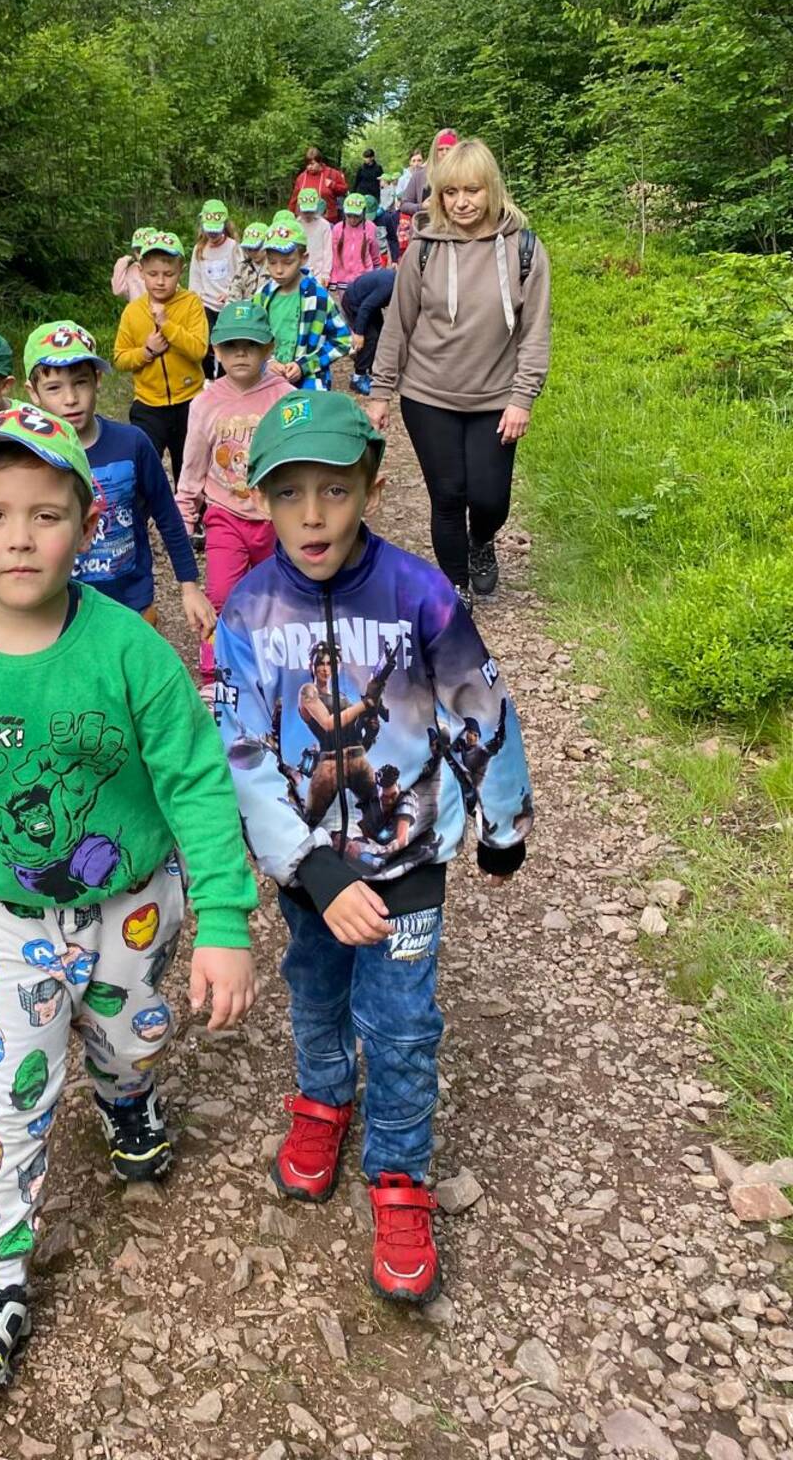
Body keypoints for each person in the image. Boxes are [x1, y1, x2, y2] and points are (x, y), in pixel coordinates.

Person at [0, 405, 258, 1391]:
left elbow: (197, 783)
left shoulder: (130, 652)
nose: (20, 538)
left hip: (131, 903)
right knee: (5, 1094)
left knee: (129, 1039)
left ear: (89, 527)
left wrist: (224, 920)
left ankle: (127, 1097)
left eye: (46, 515)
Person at [212, 392, 533, 1306]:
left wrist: (503, 822)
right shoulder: (248, 611)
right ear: (261, 501)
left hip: (408, 865)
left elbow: (479, 706)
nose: (313, 516)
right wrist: (308, 865)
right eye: (289, 494)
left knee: (401, 1025)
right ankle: (323, 1097)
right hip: (309, 872)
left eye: (335, 491)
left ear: (372, 491)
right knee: (315, 991)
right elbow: (241, 749)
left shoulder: (420, 595)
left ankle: (398, 1170)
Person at [368, 137, 551, 609]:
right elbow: (398, 323)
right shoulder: (423, 249)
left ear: (492, 188)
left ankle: (481, 541)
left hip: (496, 397)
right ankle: (455, 591)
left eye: (472, 190)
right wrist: (381, 390)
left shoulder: (525, 250)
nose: (462, 202)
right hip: (428, 394)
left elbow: (534, 332)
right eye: (451, 192)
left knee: (490, 499)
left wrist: (523, 398)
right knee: (447, 495)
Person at [24, 320, 213, 640]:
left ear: (97, 380)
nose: (70, 398)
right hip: (58, 608)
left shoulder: (132, 443)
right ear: (34, 393)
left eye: (81, 383)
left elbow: (167, 516)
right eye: (54, 388)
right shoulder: (28, 457)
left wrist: (189, 586)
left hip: (130, 603)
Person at [174, 301, 284, 684]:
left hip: (274, 518)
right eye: (231, 345)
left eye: (251, 345)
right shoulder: (205, 403)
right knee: (222, 593)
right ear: (216, 351)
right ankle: (215, 670)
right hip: (225, 515)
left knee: (276, 595)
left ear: (268, 348)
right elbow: (192, 466)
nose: (241, 353)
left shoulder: (284, 397)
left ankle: (272, 668)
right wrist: (186, 515)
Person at [112, 231, 207, 483]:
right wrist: (147, 351)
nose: (161, 281)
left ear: (181, 271)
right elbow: (120, 358)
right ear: (141, 272)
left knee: (188, 469)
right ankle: (149, 508)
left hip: (189, 401)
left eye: (169, 274)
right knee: (146, 469)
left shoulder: (191, 303)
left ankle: (189, 508)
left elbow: (199, 349)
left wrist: (167, 326)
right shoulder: (133, 311)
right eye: (153, 274)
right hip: (148, 404)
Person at [257, 213, 352, 391]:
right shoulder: (262, 296)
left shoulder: (318, 297)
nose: (279, 270)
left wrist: (306, 365)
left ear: (304, 258)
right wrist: (267, 362)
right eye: (272, 262)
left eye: (287, 262)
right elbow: (253, 338)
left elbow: (343, 339)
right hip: (269, 383)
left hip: (309, 385)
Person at [188, 198, 242, 377]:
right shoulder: (199, 249)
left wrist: (230, 294)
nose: (212, 235)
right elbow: (195, 279)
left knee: (226, 342)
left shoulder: (233, 247)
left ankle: (225, 376)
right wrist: (195, 301)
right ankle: (208, 377)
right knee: (206, 341)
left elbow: (241, 274)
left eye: (216, 231)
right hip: (206, 304)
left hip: (227, 303)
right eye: (209, 231)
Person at [341, 266, 397, 396]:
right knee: (370, 338)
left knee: (380, 334)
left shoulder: (397, 282)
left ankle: (373, 370)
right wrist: (359, 333)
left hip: (368, 303)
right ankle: (358, 377)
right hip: (354, 303)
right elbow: (365, 308)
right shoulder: (389, 286)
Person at [329, 196, 384, 299]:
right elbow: (334, 256)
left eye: (356, 216)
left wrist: (377, 272)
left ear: (363, 212)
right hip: (343, 279)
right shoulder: (337, 229)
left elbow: (375, 253)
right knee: (345, 307)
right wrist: (333, 279)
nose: (352, 219)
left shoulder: (371, 227)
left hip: (364, 277)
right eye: (349, 216)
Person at [287, 145, 348, 224]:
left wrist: (333, 185)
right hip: (306, 220)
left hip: (328, 219)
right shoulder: (301, 178)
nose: (309, 167)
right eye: (307, 164)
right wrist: (289, 217)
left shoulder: (332, 173)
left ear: (320, 162)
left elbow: (344, 190)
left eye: (312, 164)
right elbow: (294, 199)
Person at [293, 187, 333, 287]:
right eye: (305, 211)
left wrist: (326, 274)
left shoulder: (324, 225)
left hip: (318, 273)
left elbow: (328, 250)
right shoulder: (296, 225)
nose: (307, 215)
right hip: (299, 272)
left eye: (310, 211)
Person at [111, 227, 155, 303]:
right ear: (134, 251)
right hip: (137, 309)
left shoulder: (163, 267)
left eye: (147, 250)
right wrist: (122, 262)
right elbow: (118, 290)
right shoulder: (132, 270)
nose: (142, 254)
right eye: (139, 250)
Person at [233, 222, 269, 299]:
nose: (252, 253)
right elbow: (233, 293)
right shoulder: (243, 268)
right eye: (249, 249)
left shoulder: (273, 267)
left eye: (256, 248)